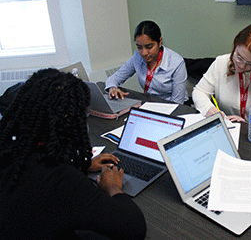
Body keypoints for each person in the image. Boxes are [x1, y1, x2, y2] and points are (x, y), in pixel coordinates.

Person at [0, 68, 147, 240]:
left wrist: (79, 165)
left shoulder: (10, 149)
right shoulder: (61, 179)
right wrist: (113, 187)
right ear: (68, 120)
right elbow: (134, 228)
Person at [192, 23, 251, 129]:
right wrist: (208, 108)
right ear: (235, 46)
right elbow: (200, 91)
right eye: (239, 57)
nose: (241, 66)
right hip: (225, 128)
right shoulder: (221, 62)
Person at [105, 20, 188, 104]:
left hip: (172, 106)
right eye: (139, 47)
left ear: (160, 42)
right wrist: (112, 88)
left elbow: (177, 103)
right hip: (150, 103)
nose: (144, 53)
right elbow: (114, 78)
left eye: (149, 47)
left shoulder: (176, 63)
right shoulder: (137, 56)